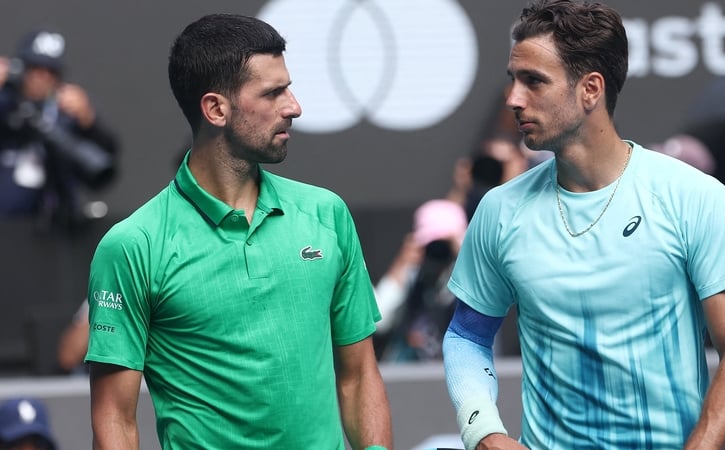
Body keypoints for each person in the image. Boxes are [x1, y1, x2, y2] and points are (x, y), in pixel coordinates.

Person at [442, 1, 725, 449]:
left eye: (533, 80)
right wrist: (483, 432)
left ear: (590, 89)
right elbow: (465, 336)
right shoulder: (499, 210)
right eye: (513, 80)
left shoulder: (694, 196)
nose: (514, 98)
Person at [85, 14, 392, 449]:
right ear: (215, 109)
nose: (294, 106)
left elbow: (359, 376)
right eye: (273, 93)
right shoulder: (133, 246)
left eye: (288, 87)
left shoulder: (328, 214)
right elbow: (115, 420)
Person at [0, 29, 118, 232]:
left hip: (50, 238)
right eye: (35, 69)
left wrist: (89, 122)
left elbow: (102, 168)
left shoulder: (64, 115)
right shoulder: (4, 106)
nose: (41, 78)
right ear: (19, 69)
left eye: (50, 72)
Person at [374, 199, 467, 362]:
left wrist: (466, 261)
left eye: (446, 244)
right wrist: (401, 265)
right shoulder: (411, 275)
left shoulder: (467, 276)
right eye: (432, 244)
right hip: (410, 378)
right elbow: (378, 321)